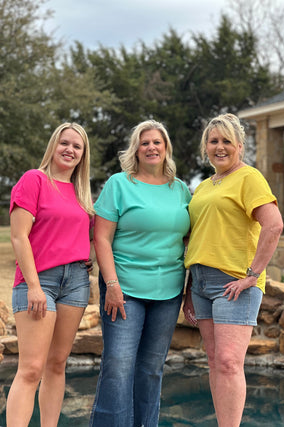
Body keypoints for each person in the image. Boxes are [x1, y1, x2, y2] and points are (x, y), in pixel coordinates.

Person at [183, 113, 283, 427]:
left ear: (239, 146)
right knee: (214, 360)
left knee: (228, 362)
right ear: (206, 147)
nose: (220, 147)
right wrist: (189, 289)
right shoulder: (202, 187)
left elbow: (274, 225)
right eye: (214, 141)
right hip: (200, 282)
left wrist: (253, 275)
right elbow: (197, 237)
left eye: (227, 141)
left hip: (234, 283)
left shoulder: (249, 177)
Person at [90, 119, 191, 427]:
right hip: (124, 290)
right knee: (118, 366)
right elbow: (101, 238)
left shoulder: (182, 189)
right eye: (144, 142)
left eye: (156, 142)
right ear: (135, 149)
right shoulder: (119, 184)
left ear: (166, 148)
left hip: (168, 292)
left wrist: (188, 291)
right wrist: (112, 285)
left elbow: (188, 239)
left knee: (151, 369)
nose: (151, 147)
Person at [6, 123, 95, 427]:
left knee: (57, 365)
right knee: (31, 368)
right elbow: (19, 237)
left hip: (76, 283)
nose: (70, 150)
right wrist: (33, 286)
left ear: (83, 155)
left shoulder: (83, 193)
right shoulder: (35, 180)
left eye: (77, 146)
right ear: (53, 146)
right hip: (38, 280)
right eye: (64, 143)